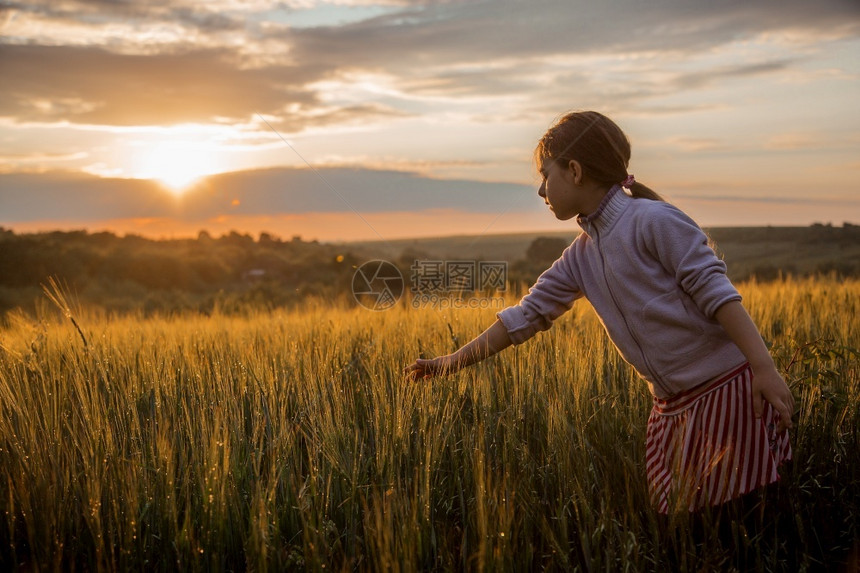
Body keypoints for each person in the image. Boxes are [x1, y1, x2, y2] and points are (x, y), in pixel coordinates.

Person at [403, 110, 793, 514]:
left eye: (545, 175)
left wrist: (763, 368)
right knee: (697, 540)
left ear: (574, 170)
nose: (541, 191)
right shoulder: (580, 256)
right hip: (674, 410)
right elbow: (525, 316)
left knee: (750, 527)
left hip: (728, 394)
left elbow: (717, 293)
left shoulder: (653, 220)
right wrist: (450, 362)